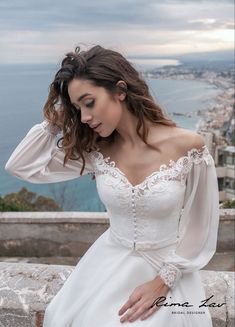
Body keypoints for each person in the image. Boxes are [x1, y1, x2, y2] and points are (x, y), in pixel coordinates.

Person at [5, 44, 220, 327]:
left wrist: (163, 282)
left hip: (169, 271)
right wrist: (56, 120)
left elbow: (199, 226)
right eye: (77, 108)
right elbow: (20, 166)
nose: (83, 117)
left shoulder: (188, 145)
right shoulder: (96, 152)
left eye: (89, 102)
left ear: (120, 90)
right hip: (105, 265)